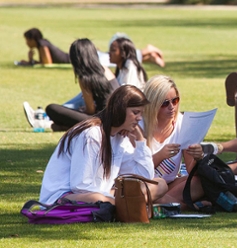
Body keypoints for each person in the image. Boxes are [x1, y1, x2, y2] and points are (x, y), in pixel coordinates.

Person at [39, 85, 167, 205]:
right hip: (66, 196)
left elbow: (144, 176)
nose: (139, 118)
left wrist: (140, 141)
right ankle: (130, 206)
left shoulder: (120, 136)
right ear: (120, 109)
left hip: (100, 193)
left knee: (159, 184)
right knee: (101, 199)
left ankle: (128, 206)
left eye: (141, 113)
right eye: (135, 112)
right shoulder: (91, 134)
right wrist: (113, 197)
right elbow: (80, 186)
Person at [141, 75, 204, 207]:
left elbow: (192, 170)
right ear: (153, 104)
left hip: (168, 186)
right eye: (165, 103)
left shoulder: (182, 123)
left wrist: (198, 157)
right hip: (143, 184)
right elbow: (135, 172)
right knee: (159, 185)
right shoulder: (139, 125)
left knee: (202, 182)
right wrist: (160, 156)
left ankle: (161, 203)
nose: (172, 107)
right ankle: (183, 206)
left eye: (175, 101)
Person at [44, 39, 119, 131]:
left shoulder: (85, 78)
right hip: (118, 117)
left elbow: (90, 110)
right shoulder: (105, 69)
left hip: (102, 121)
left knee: (51, 108)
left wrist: (81, 110)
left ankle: (67, 126)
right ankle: (67, 127)